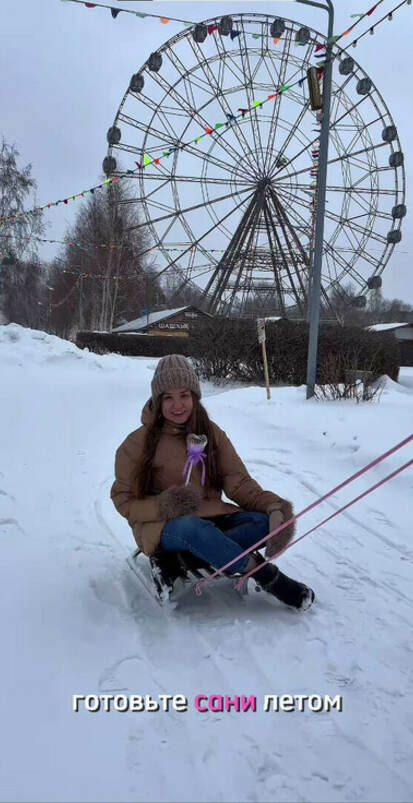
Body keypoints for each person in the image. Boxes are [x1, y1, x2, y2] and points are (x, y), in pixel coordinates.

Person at [110, 354, 315, 610]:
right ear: (157, 400)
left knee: (263, 523)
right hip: (165, 526)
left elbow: (238, 483)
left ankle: (183, 559)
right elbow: (123, 500)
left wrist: (274, 507)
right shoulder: (136, 444)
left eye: (184, 395)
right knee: (192, 530)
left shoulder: (211, 433)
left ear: (194, 397)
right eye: (168, 397)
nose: (177, 405)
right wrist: (164, 506)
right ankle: (264, 574)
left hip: (212, 520)